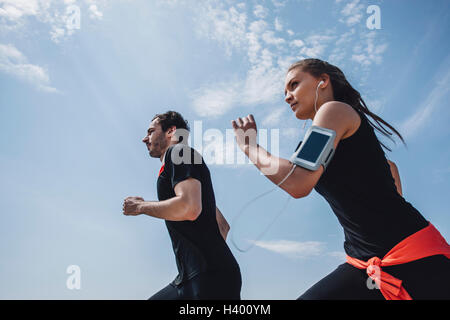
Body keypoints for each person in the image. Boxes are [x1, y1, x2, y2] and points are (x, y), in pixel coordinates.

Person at [231, 58, 450, 300]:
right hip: (363, 264)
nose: (287, 96)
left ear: (322, 81)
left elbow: (298, 180)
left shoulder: (333, 110)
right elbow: (390, 169)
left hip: (415, 258)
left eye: (294, 84)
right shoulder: (331, 128)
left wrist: (250, 147)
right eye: (285, 91)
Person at [123, 110, 241, 300]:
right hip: (197, 277)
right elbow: (222, 226)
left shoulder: (179, 152)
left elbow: (189, 208)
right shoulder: (182, 162)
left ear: (171, 131)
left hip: (206, 279)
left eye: (151, 131)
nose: (145, 139)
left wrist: (140, 207)